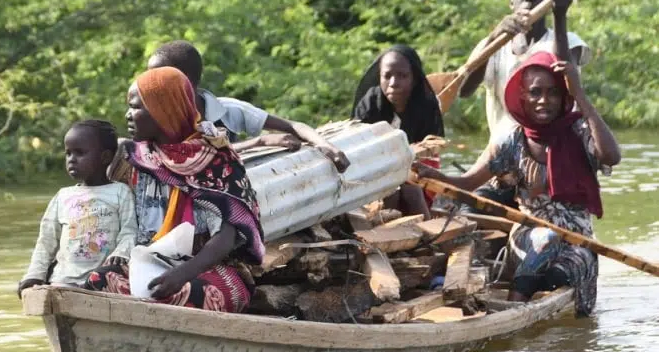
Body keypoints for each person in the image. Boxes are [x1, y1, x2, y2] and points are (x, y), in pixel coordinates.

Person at [414, 51, 621, 316]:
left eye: (553, 93)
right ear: (523, 96)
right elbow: (467, 183)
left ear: (563, 97)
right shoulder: (511, 141)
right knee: (545, 238)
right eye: (535, 93)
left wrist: (580, 95)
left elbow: (611, 156)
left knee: (557, 276)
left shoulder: (579, 130)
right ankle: (516, 302)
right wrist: (437, 179)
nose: (544, 101)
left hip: (577, 242)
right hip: (530, 236)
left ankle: (532, 306)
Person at [84, 66, 265, 313]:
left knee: (183, 297)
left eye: (136, 107)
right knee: (97, 281)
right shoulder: (132, 157)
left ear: (163, 110)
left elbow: (226, 236)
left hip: (207, 268)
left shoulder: (215, 160)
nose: (128, 114)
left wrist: (181, 275)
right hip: (146, 263)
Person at [459, 0, 591, 208]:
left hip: (545, 158)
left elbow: (569, 83)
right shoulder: (495, 44)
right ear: (512, 2)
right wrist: (493, 36)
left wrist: (559, 15)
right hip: (502, 156)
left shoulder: (564, 41)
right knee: (462, 208)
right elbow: (464, 89)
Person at [147, 40, 350, 172]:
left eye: (159, 80)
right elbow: (189, 158)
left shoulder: (227, 110)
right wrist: (258, 143)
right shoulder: (155, 120)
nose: (150, 86)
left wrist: (326, 146)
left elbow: (293, 126)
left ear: (187, 81)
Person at [18, 120, 137, 297]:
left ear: (104, 157)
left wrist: (122, 253)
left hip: (100, 281)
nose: (71, 159)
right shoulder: (62, 196)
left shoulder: (120, 192)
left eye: (80, 153)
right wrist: (34, 275)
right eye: (68, 153)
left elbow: (129, 230)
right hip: (62, 280)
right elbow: (46, 242)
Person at [352, 45, 444, 218]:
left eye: (402, 76)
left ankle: (428, 234)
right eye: (387, 76)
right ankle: (387, 231)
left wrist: (406, 170)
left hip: (419, 169)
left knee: (412, 191)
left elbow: (431, 152)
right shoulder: (370, 104)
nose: (393, 83)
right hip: (377, 169)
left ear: (414, 78)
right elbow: (360, 151)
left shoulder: (426, 105)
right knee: (390, 192)